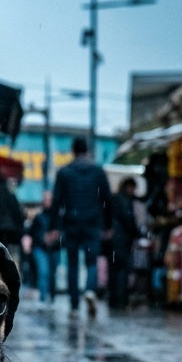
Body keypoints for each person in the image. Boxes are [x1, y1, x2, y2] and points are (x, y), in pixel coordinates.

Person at [52, 136, 113, 317]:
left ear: (73, 150)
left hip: (71, 223)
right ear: (87, 150)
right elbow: (107, 200)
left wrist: (54, 227)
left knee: (72, 264)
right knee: (91, 261)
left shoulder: (65, 172)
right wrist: (108, 225)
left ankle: (74, 306)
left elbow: (57, 201)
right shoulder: (98, 171)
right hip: (93, 223)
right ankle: (90, 291)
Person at [108, 177, 140, 310]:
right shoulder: (126, 201)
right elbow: (128, 220)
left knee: (114, 270)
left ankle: (113, 299)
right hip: (122, 240)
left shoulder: (114, 199)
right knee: (122, 270)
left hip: (113, 240)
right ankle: (121, 299)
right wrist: (135, 233)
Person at [29, 193, 59, 304]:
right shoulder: (39, 217)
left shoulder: (58, 218)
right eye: (45, 199)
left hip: (54, 249)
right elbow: (32, 233)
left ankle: (51, 298)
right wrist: (43, 238)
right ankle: (43, 298)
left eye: (49, 199)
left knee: (52, 274)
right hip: (40, 248)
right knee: (44, 272)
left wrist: (56, 237)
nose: (47, 202)